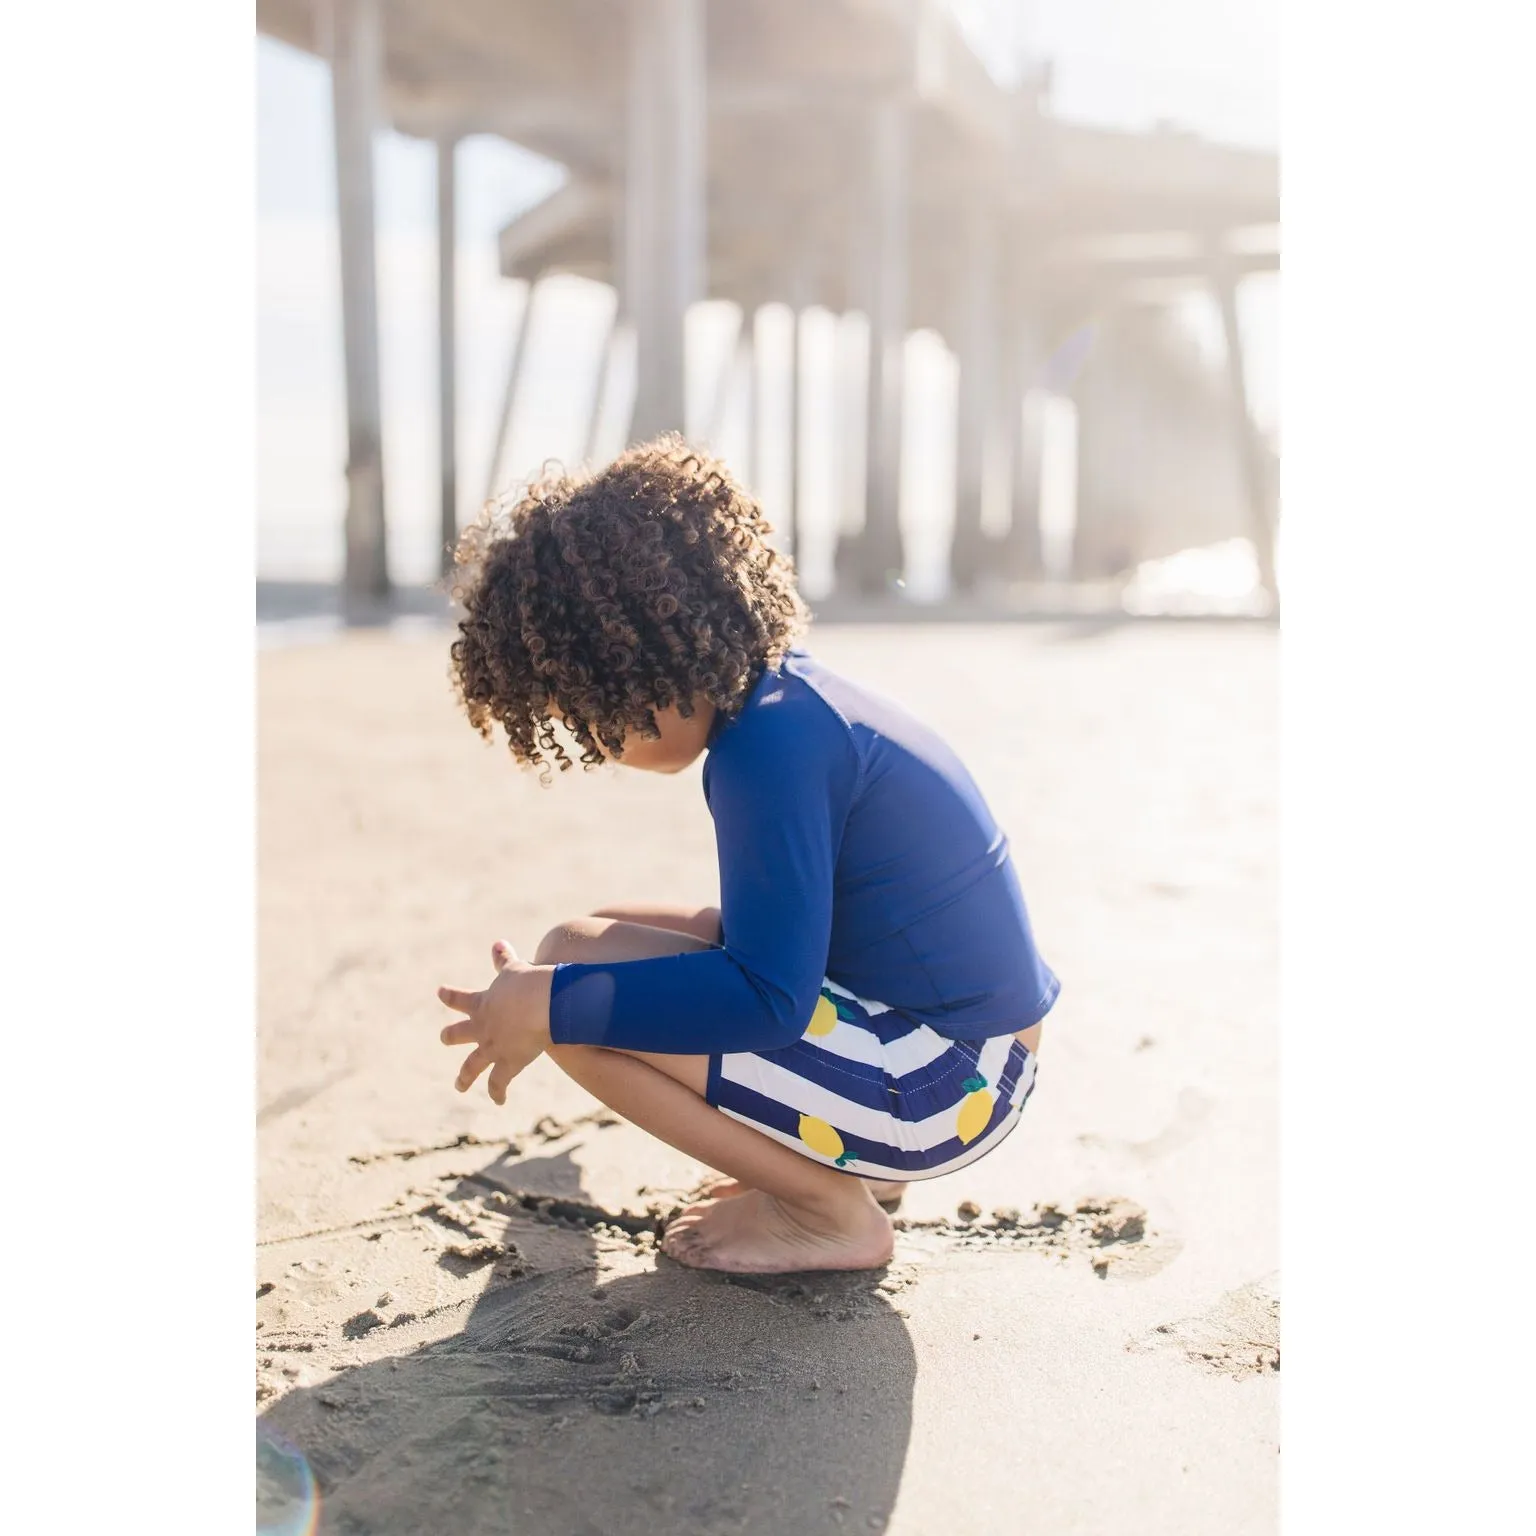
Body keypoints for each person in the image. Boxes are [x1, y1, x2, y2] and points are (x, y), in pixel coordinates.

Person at [437, 436, 1059, 1273]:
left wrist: (547, 1005)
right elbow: (782, 949)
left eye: (587, 707)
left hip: (945, 1088)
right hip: (967, 1054)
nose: (591, 739)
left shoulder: (764, 751)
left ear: (638, 657)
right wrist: (554, 985)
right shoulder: (787, 703)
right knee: (587, 943)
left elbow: (766, 999)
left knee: (576, 1002)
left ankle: (830, 1210)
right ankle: (850, 1176)